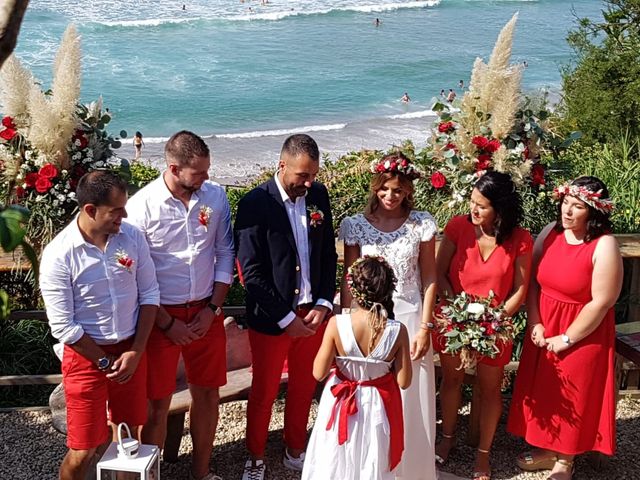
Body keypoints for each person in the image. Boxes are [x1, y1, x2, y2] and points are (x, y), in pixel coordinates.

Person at [126, 131, 235, 480]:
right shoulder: (141, 207)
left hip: (206, 311)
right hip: (160, 318)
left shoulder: (215, 196)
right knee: (156, 403)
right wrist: (166, 322)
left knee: (208, 395)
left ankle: (201, 473)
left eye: (207, 171)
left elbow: (224, 253)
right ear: (174, 168)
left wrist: (213, 309)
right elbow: (136, 275)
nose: (206, 179)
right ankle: (152, 475)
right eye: (198, 173)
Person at [40, 171, 160, 480]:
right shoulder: (59, 254)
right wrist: (105, 361)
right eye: (116, 210)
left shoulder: (132, 237)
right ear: (90, 210)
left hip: (130, 349)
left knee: (130, 437)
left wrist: (135, 351)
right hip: (85, 357)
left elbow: (149, 293)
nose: (125, 215)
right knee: (83, 449)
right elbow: (64, 326)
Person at [234, 134, 338, 480]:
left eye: (313, 175)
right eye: (302, 176)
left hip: (313, 315)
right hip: (272, 320)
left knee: (305, 386)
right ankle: (256, 456)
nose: (308, 183)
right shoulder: (254, 203)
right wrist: (284, 317)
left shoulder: (318, 195)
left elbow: (326, 255)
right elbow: (251, 272)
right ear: (282, 166)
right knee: (263, 392)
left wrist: (324, 304)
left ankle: (296, 448)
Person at [507, 176, 622, 480]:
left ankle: (565, 461)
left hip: (584, 330)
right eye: (565, 203)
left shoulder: (605, 244)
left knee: (573, 392)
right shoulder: (550, 233)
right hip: (545, 321)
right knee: (545, 390)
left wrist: (568, 337)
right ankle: (547, 449)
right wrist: (535, 322)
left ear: (594, 212)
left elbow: (602, 301)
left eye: (577, 206)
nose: (567, 211)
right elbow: (532, 281)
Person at [339, 152, 438, 480]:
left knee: (410, 400)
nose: (390, 196)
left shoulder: (421, 224)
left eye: (397, 190)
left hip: (409, 319)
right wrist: (347, 329)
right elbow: (349, 280)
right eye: (384, 189)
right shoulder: (355, 226)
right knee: (373, 400)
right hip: (370, 323)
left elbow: (429, 278)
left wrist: (425, 327)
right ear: (375, 187)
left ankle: (412, 471)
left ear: (408, 189)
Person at [433, 171, 533, 480]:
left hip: (496, 325)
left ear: (500, 208)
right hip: (453, 319)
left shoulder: (521, 238)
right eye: (472, 202)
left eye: (482, 205)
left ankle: (484, 454)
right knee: (450, 381)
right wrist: (455, 309)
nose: (473, 210)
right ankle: (446, 439)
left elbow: (520, 289)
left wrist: (496, 319)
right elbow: (438, 274)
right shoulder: (457, 227)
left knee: (490, 390)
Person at [302, 256, 412, 480]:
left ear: (353, 288)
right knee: (372, 456)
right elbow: (404, 381)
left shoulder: (336, 324)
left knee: (335, 454)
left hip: (341, 399)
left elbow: (318, 372)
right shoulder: (397, 330)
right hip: (377, 405)